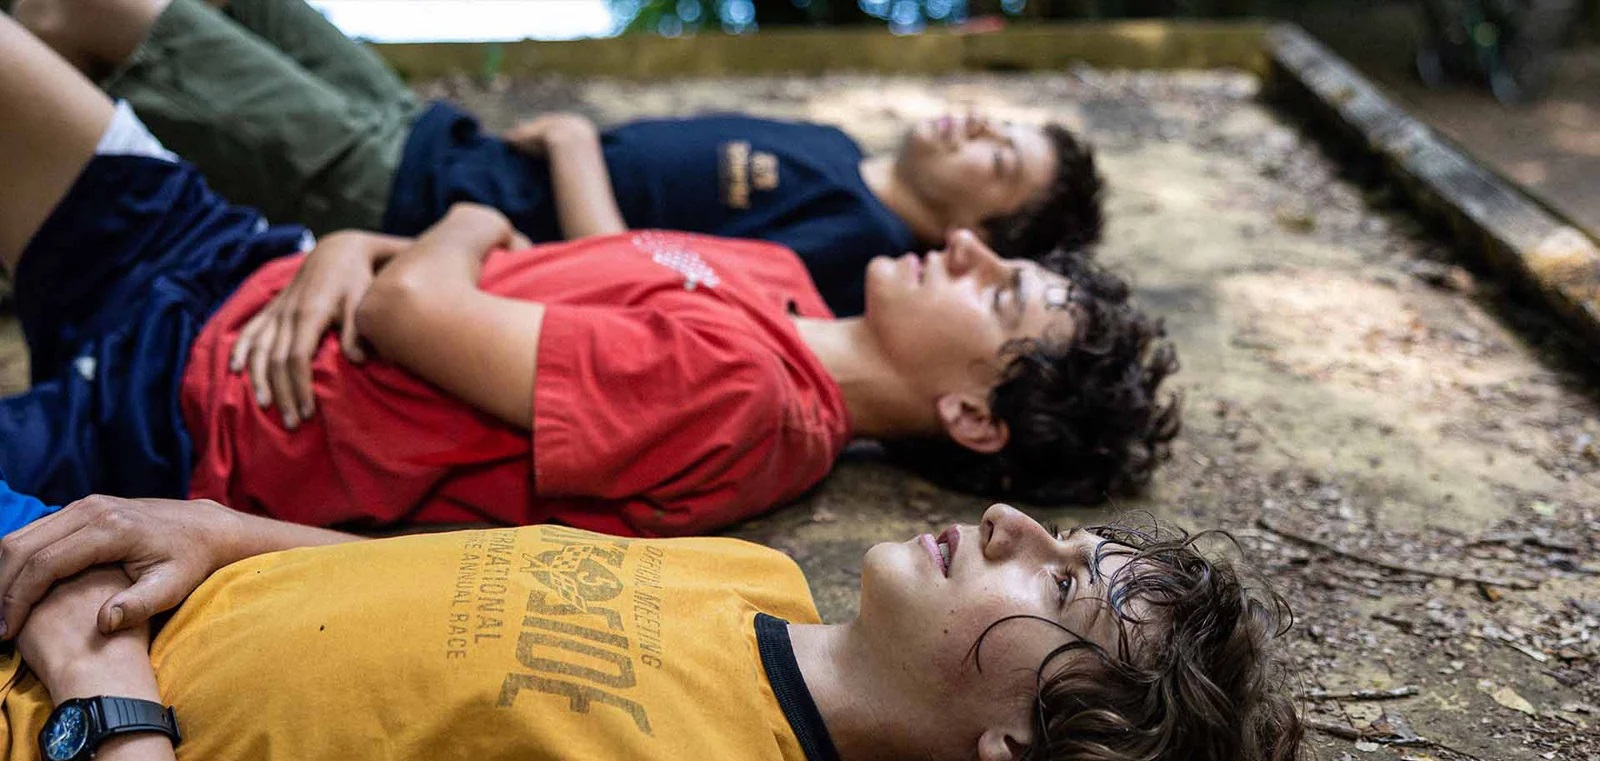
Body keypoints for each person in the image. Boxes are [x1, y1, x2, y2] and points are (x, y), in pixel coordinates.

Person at [0, 12, 1178, 538]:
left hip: (184, 417)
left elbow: (416, 307)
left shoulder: (747, 399)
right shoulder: (772, 281)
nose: (970, 250)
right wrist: (351, 247)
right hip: (227, 266)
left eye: (1000, 291)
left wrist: (451, 224)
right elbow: (485, 272)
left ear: (970, 415)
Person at [0, 491, 1312, 761]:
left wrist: (99, 699)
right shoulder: (749, 575)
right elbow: (427, 586)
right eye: (1069, 539)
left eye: (1061, 587)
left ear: (1018, 756)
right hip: (77, 578)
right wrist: (214, 529)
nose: (1016, 521)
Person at [12, 0, 1107, 316]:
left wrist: (578, 145)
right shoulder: (828, 147)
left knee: (107, 16)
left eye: (1001, 159)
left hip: (399, 189)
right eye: (994, 118)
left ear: (978, 234)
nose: (976, 127)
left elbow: (635, 286)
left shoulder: (855, 249)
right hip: (427, 134)